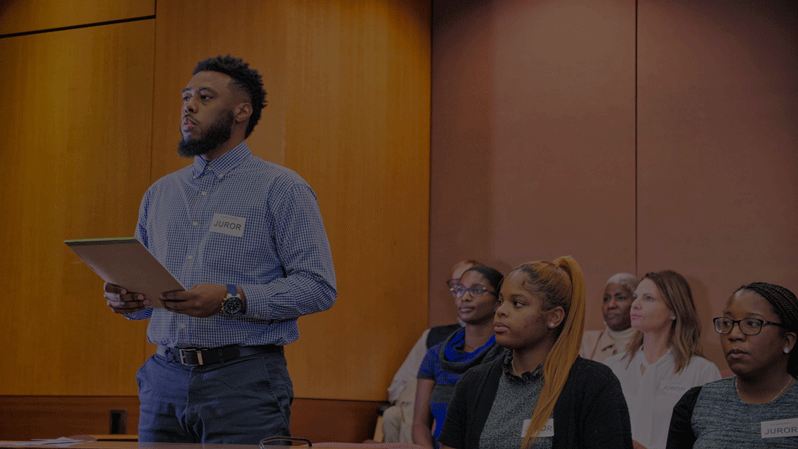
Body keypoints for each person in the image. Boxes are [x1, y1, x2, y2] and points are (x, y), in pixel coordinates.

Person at [103, 55, 336, 444]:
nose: (188, 106)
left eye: (205, 97)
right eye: (185, 97)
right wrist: (128, 300)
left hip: (243, 382)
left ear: (242, 111)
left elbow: (318, 287)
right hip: (164, 379)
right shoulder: (160, 193)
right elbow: (147, 299)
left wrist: (231, 298)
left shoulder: (281, 188)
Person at [439, 257, 633, 449]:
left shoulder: (594, 384)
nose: (500, 311)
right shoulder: (473, 383)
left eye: (517, 303)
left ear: (553, 317)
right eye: (500, 301)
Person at [666, 282, 798, 449]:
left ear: (787, 341)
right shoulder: (695, 402)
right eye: (727, 323)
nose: (734, 335)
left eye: (752, 324)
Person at [604, 270, 719, 449]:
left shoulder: (702, 371)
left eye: (648, 298)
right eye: (635, 297)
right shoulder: (611, 367)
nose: (635, 304)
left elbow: (712, 441)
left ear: (674, 311)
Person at [381, 259, 482, 443]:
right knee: (394, 412)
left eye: (469, 286)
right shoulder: (433, 337)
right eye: (456, 286)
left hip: (457, 409)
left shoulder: (494, 339)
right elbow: (396, 388)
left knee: (393, 415)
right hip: (421, 408)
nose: (462, 295)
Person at [413, 265, 505, 449]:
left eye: (476, 290)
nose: (464, 297)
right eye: (459, 290)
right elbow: (420, 424)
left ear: (498, 302)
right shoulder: (435, 355)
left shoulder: (507, 354)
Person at [580, 273, 639, 362]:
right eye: (606, 299)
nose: (611, 305)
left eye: (620, 298)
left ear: (636, 302)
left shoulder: (650, 343)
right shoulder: (585, 343)